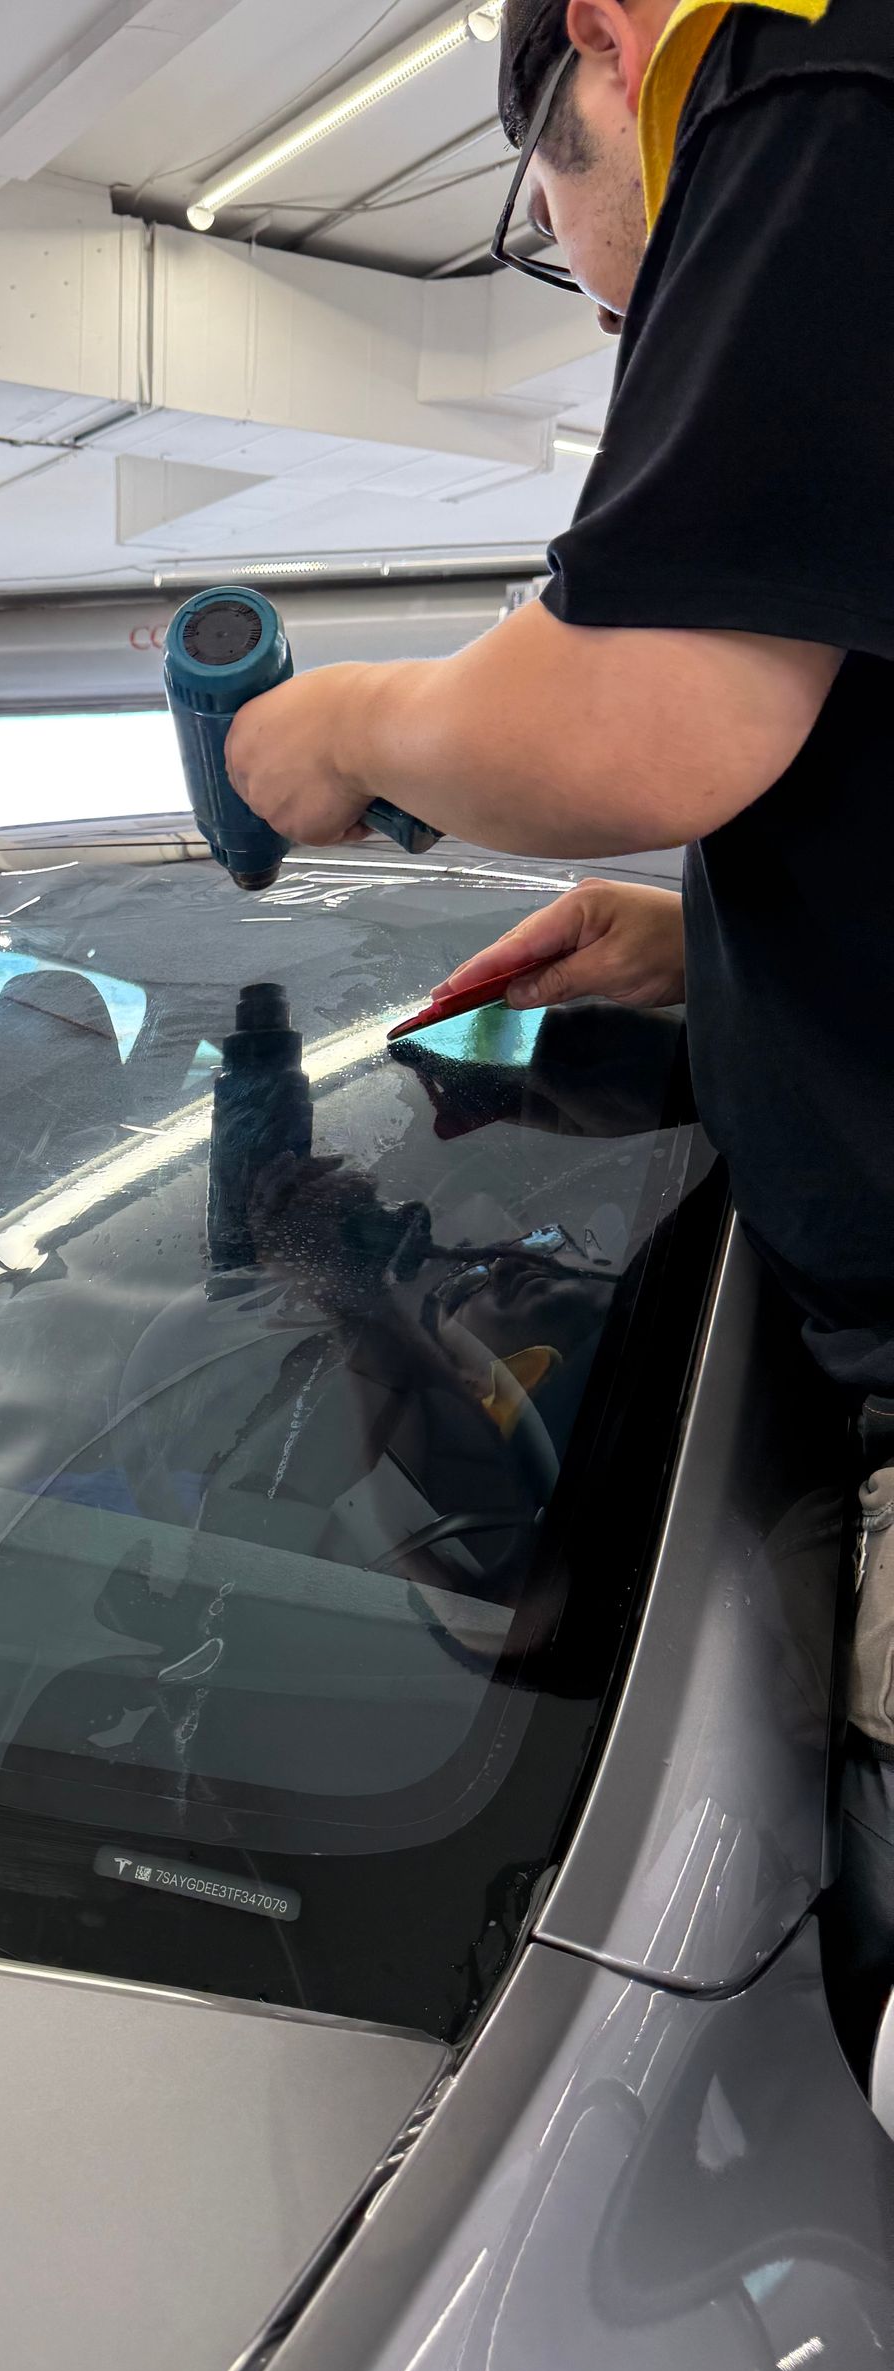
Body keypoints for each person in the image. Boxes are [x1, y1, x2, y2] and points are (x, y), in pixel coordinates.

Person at [218, 0, 894, 2057]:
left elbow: (642, 716)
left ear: (602, 41)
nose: (641, 325)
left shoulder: (813, 73)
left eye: (592, 245)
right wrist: (708, 937)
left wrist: (333, 723)